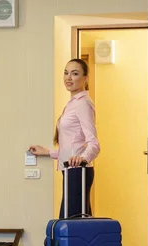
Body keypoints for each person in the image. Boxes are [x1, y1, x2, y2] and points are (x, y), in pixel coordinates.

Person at [29, 58, 100, 218]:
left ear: (85, 79)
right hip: (71, 170)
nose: (69, 78)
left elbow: (94, 144)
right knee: (73, 223)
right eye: (66, 73)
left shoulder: (83, 104)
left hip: (78, 171)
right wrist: (48, 153)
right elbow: (72, 144)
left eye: (75, 74)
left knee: (71, 224)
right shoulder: (72, 103)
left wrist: (82, 159)